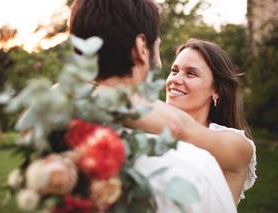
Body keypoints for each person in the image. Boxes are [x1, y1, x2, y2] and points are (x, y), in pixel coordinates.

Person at [69, 0, 253, 212]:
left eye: (191, 73)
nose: (175, 79)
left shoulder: (235, 146)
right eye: (174, 71)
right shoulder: (142, 130)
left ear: (217, 91)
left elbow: (182, 129)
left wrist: (84, 95)